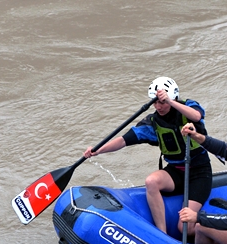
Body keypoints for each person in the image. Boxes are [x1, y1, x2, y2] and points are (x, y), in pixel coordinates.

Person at [83, 77, 212, 235]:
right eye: (155, 102)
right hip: (176, 172)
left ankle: (211, 229)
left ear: (173, 98)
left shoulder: (188, 107)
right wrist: (98, 150)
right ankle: (161, 234)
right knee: (151, 181)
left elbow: (197, 116)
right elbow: (123, 140)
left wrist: (170, 102)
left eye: (162, 102)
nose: (158, 106)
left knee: (183, 227)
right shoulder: (153, 123)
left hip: (199, 173)